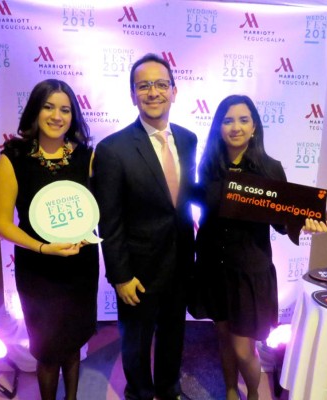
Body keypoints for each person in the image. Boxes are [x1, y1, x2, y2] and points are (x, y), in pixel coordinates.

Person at [193, 95, 327, 400]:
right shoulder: (209, 166)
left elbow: (282, 222)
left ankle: (253, 394)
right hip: (213, 266)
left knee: (244, 347)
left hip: (249, 271)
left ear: (254, 126)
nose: (236, 127)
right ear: (218, 127)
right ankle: (230, 390)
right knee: (223, 336)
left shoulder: (270, 169)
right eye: (228, 120)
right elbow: (203, 210)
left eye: (243, 120)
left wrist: (302, 222)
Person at [91, 53, 197, 400]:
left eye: (161, 84)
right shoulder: (113, 149)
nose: (154, 92)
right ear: (133, 94)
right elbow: (110, 218)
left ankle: (169, 389)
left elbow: (188, 198)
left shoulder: (189, 139)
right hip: (137, 270)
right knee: (135, 342)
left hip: (180, 262)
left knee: (173, 335)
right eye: (144, 86)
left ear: (174, 91)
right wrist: (119, 275)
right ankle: (138, 393)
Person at [0, 79, 99, 400]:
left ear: (73, 116)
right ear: (35, 111)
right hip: (38, 269)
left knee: (73, 343)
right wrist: (41, 246)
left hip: (80, 267)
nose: (57, 116)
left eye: (65, 109)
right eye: (48, 107)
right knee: (48, 349)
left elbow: (98, 208)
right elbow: (0, 223)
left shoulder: (86, 157)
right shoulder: (13, 157)